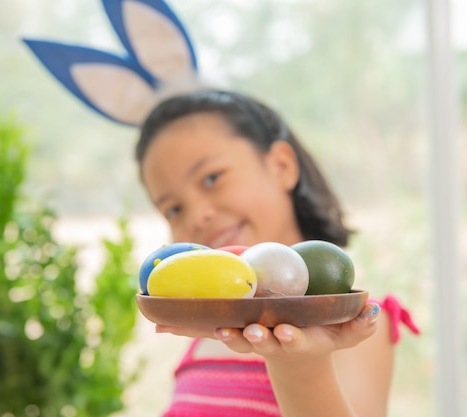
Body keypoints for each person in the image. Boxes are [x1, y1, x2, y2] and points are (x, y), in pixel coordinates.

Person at [134, 88, 420, 417]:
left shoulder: (347, 326)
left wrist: (299, 363)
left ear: (282, 166)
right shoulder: (208, 337)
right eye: (173, 209)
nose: (198, 215)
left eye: (212, 178)